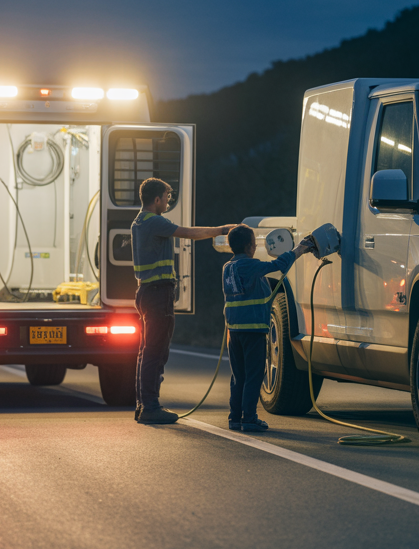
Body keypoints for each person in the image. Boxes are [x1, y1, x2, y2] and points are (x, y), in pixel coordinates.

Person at [132, 178, 235, 425]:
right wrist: (223, 229)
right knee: (156, 352)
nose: (168, 201)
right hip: (158, 294)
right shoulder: (156, 221)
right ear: (156, 199)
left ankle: (143, 404)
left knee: (147, 351)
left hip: (147, 291)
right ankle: (151, 407)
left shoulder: (139, 222)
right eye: (167, 196)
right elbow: (189, 233)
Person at [222, 226, 315, 431]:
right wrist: (299, 249)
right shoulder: (251, 265)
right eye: (254, 243)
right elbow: (278, 264)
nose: (255, 246)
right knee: (255, 375)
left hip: (234, 331)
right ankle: (250, 418)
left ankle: (235, 418)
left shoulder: (227, 268)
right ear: (249, 247)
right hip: (253, 330)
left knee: (239, 376)